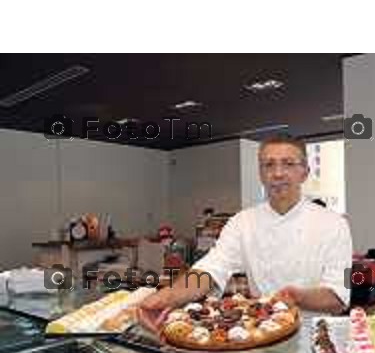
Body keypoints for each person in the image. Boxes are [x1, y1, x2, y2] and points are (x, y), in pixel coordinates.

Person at [138, 136, 352, 332]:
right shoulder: (242, 222)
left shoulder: (334, 224)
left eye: (288, 164)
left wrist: (297, 297)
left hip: (314, 338)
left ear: (304, 172)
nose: (278, 173)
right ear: (260, 174)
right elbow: (209, 270)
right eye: (269, 165)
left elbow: (338, 296)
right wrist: (170, 296)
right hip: (258, 333)